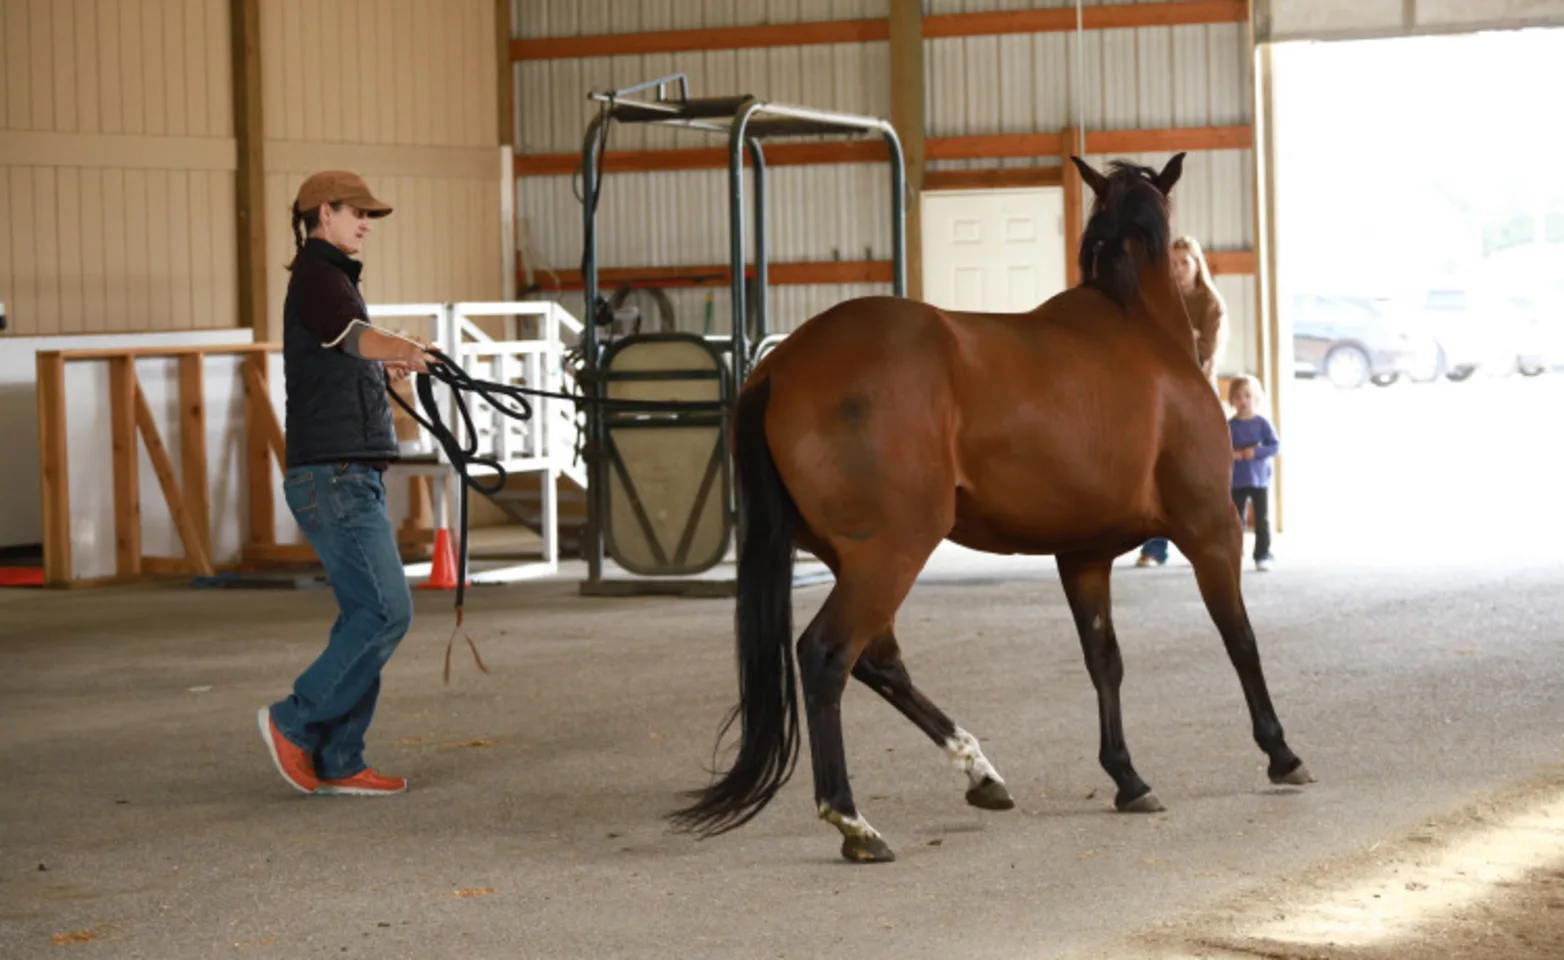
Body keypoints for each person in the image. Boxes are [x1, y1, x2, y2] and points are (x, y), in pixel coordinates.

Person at [257, 170, 436, 797]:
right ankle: (295, 721)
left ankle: (340, 757)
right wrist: (402, 346)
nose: (365, 224)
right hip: (333, 473)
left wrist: (390, 355)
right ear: (323, 213)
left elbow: (346, 349)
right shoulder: (319, 278)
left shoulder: (330, 280)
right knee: (388, 610)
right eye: (357, 213)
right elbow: (348, 337)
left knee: (367, 614)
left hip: (346, 468)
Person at [1137, 235, 1229, 567]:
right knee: (1158, 465)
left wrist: (1187, 337)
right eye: (1172, 264)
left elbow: (1208, 352)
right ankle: (1154, 546)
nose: (1178, 270)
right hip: (1165, 386)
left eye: (1184, 263)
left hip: (1199, 386)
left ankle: (1214, 537)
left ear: (1197, 265)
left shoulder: (1210, 303)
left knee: (1202, 466)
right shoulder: (1163, 300)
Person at [1227, 374, 1280, 572]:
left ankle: (1263, 554)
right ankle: (1234, 554)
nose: (1243, 401)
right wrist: (1232, 455)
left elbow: (1275, 447)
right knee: (1235, 521)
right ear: (1232, 400)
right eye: (1238, 396)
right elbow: (1220, 450)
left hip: (1259, 480)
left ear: (1257, 399)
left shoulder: (1262, 423)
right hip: (1236, 481)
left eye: (1248, 396)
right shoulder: (1229, 426)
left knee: (1262, 519)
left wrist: (1254, 453)